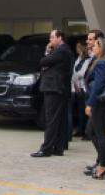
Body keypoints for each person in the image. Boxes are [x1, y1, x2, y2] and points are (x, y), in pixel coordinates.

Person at [32, 29, 74, 158]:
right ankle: (58, 147)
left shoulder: (62, 51)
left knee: (51, 119)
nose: (50, 40)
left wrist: (46, 52)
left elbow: (43, 62)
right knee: (59, 119)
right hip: (58, 88)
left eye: (52, 37)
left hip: (55, 88)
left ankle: (46, 149)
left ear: (60, 38)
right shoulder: (62, 51)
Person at [84, 36, 105, 179]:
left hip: (99, 103)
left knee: (99, 133)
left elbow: (98, 85)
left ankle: (103, 165)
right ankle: (101, 161)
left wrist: (90, 103)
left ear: (101, 48)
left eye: (95, 45)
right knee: (91, 131)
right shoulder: (102, 61)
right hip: (100, 102)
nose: (92, 47)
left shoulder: (102, 63)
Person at [71, 40, 91, 139]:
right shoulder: (78, 59)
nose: (77, 50)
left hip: (84, 87)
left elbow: (82, 73)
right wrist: (75, 80)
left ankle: (87, 131)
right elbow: (74, 71)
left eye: (78, 47)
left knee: (86, 110)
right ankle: (80, 129)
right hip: (77, 87)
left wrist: (76, 76)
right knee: (80, 110)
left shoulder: (88, 59)